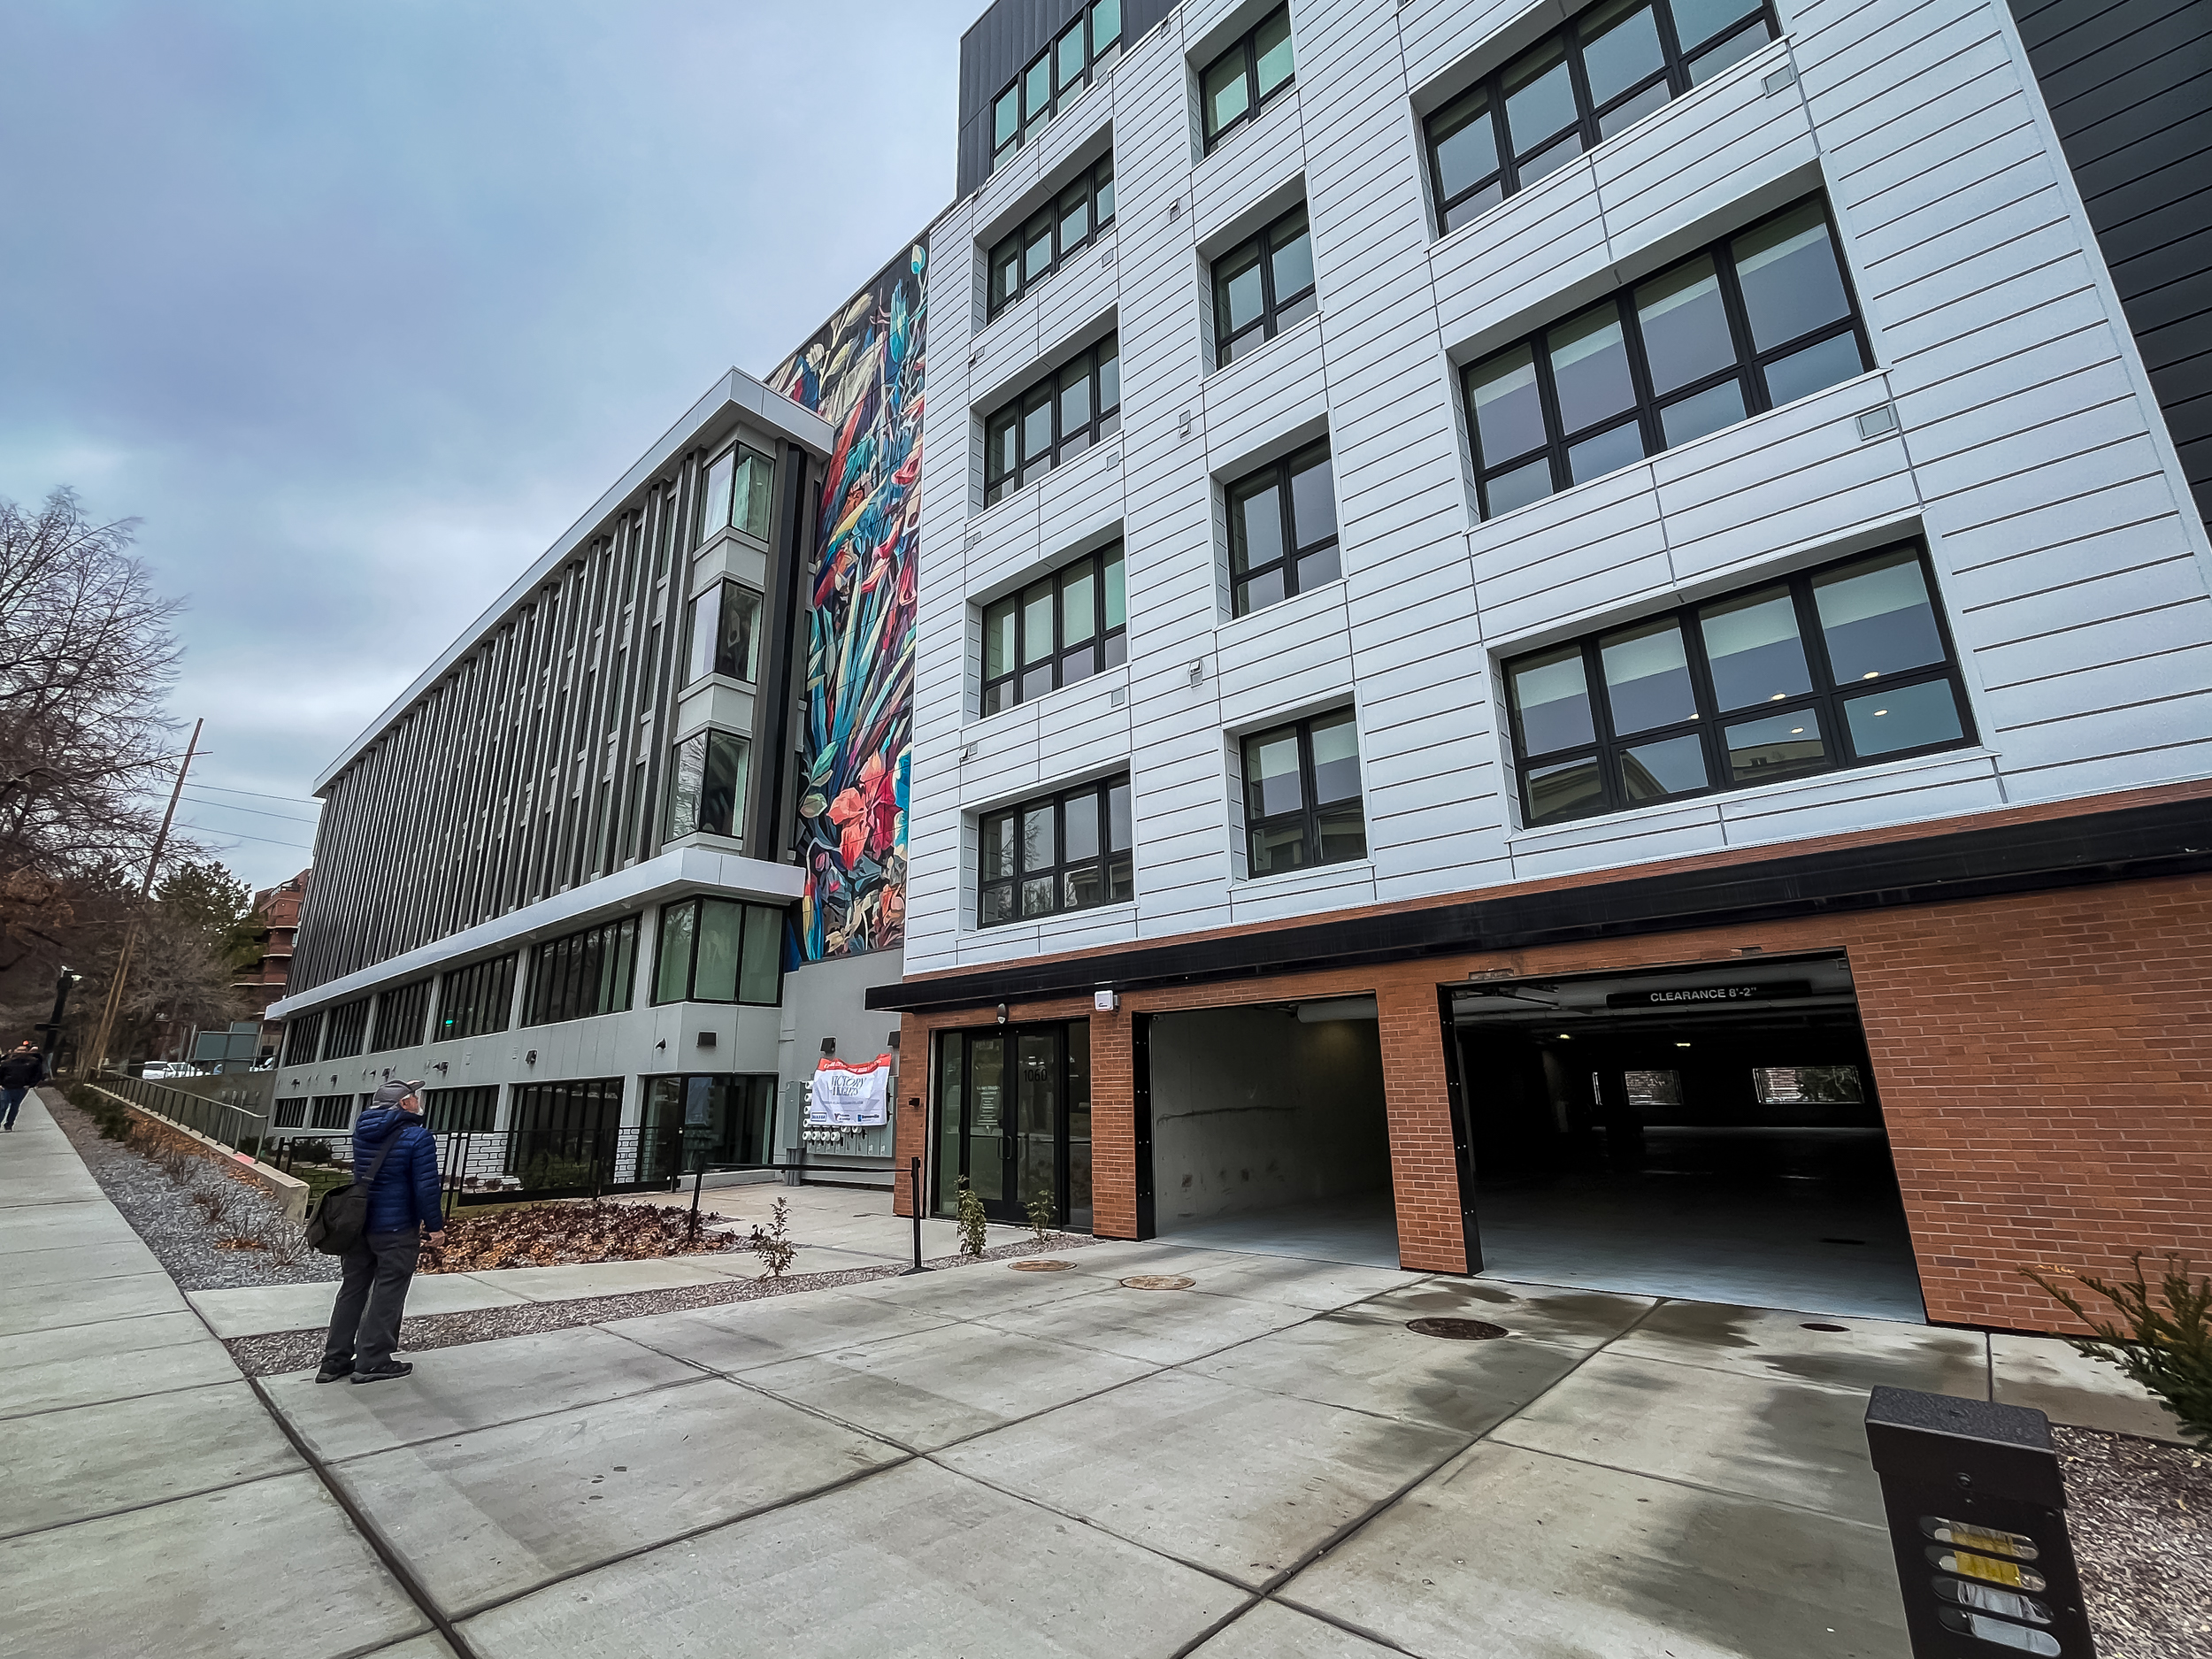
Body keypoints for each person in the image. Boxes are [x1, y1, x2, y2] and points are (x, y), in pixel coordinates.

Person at [319, 1079, 444, 1385]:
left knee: (352, 1290)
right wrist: (436, 1227)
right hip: (397, 1228)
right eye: (414, 1098)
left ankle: (334, 1360)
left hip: (360, 1225)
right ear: (404, 1104)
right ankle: (373, 1360)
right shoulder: (418, 1137)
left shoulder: (363, 1131)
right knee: (388, 1292)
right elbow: (425, 1188)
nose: (418, 1102)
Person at [0, 1041, 42, 1131]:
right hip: (6, 1086)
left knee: (15, 1106)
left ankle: (9, 1124)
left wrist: (30, 1084)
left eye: (23, 1050)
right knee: (3, 1106)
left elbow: (37, 1074)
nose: (20, 1052)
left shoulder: (33, 1062)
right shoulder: (6, 1062)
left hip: (22, 1087)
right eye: (19, 1050)